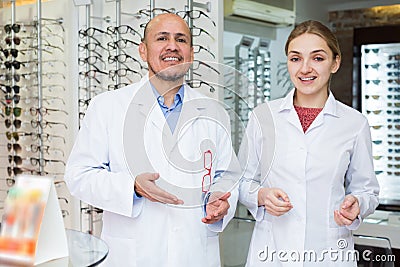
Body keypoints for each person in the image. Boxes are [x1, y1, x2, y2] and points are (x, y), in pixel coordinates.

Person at [65, 13, 240, 267]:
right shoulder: (108, 107)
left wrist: (221, 200)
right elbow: (78, 176)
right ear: (143, 51)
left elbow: (228, 175)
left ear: (190, 53)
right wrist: (132, 187)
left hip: (194, 253)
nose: (172, 46)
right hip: (132, 256)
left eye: (181, 39)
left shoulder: (213, 111)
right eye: (162, 38)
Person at [239, 20, 380, 266]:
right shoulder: (263, 117)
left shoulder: (354, 123)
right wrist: (261, 195)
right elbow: (241, 181)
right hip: (272, 252)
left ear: (335, 63)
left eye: (317, 58)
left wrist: (357, 204)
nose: (305, 68)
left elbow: (367, 190)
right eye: (295, 59)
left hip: (329, 253)